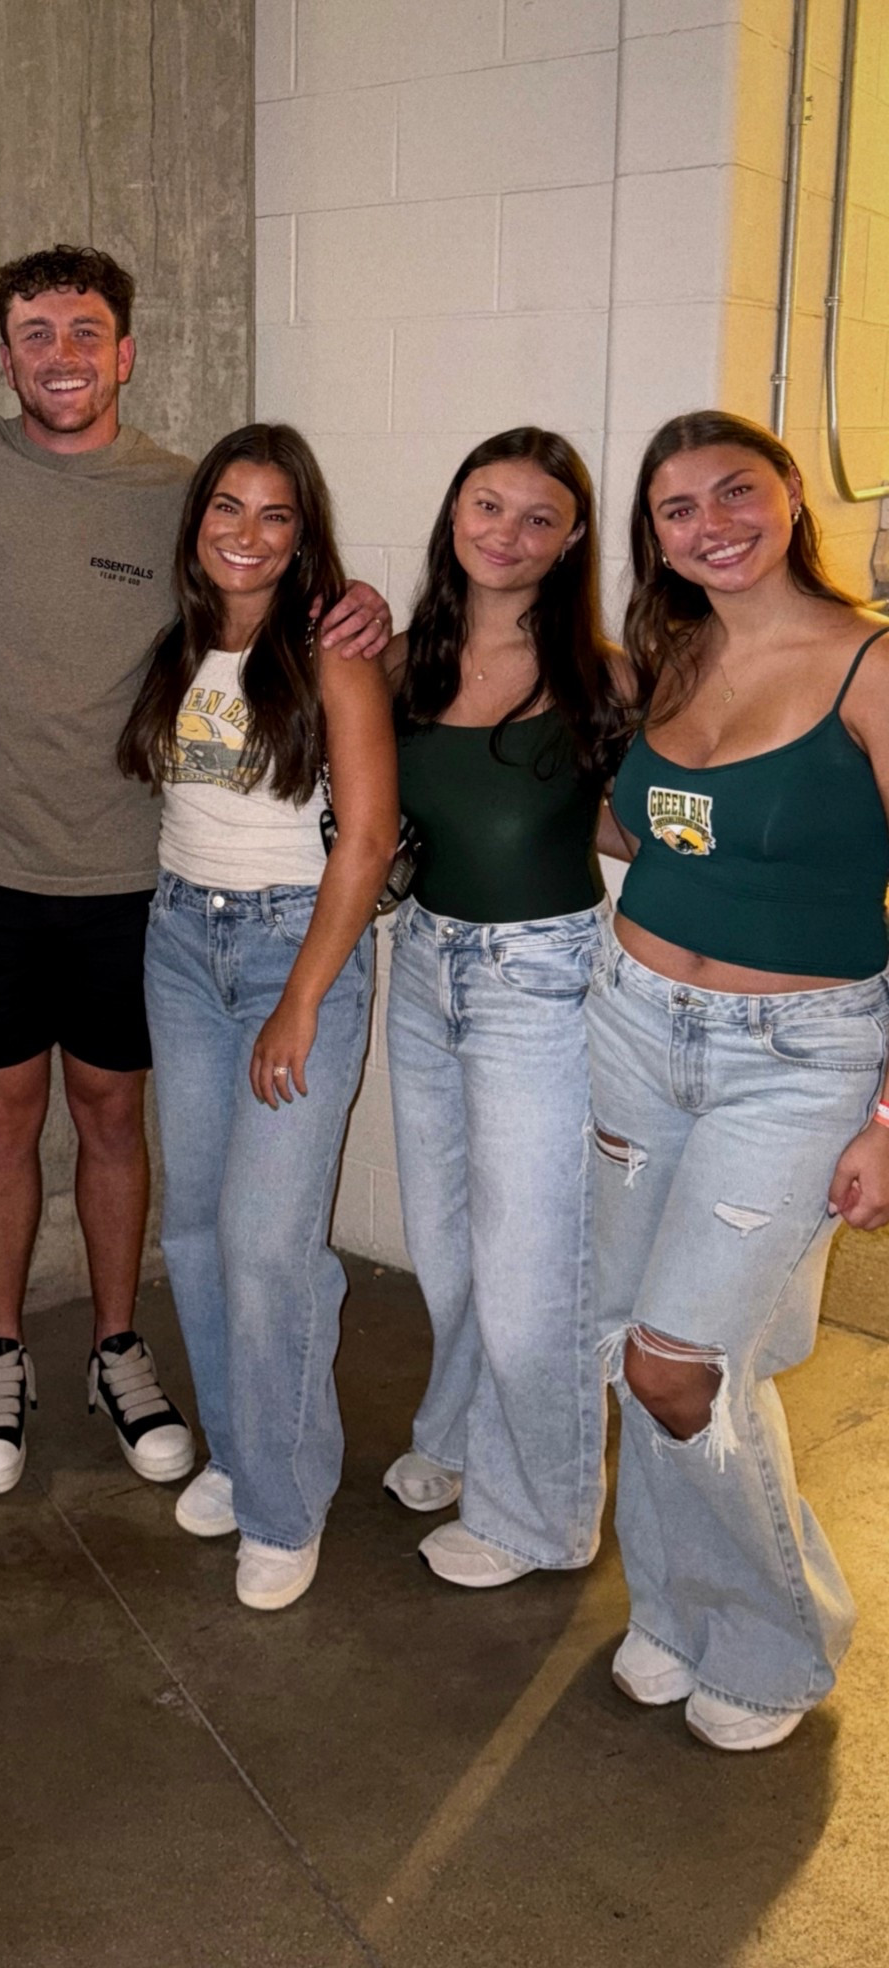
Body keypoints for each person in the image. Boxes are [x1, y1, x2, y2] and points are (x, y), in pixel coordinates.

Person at [0, 245, 390, 1496]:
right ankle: (3, 1346)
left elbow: (275, 601)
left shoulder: (184, 499)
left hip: (139, 885)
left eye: (86, 332)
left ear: (124, 352)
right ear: (3, 350)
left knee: (115, 1121)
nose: (60, 354)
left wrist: (362, 612)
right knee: (4, 1118)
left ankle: (117, 1346)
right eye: (35, 332)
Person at [593, 410, 889, 1751]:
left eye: (735, 490)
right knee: (629, 1338)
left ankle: (780, 1640)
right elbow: (633, 820)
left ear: (787, 499)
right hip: (636, 1023)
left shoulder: (870, 664)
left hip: (800, 1055)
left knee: (676, 1365)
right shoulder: (672, 654)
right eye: (676, 507)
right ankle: (674, 1609)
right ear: (652, 535)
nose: (710, 521)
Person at [119, 423, 398, 1610]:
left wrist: (301, 1000)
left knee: (271, 1244)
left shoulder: (332, 650)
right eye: (226, 508)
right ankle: (241, 1452)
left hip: (297, 944)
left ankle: (285, 1506)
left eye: (274, 514)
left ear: (303, 534)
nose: (246, 533)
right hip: (182, 940)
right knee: (193, 1231)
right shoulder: (181, 644)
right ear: (197, 526)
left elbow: (370, 839)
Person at [381, 429, 625, 1589]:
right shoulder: (399, 663)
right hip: (425, 966)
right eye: (489, 505)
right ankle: (462, 1435)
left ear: (571, 538)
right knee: (446, 1244)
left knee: (533, 1264)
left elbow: (637, 830)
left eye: (539, 518)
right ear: (456, 509)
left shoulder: (604, 675)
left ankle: (543, 1513)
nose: (509, 533)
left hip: (544, 975)